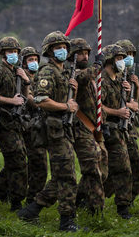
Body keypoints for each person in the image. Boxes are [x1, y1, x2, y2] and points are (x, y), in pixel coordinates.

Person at [16, 31, 88, 232]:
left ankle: (31, 211)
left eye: (65, 47)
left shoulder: (64, 72)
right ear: (49, 51)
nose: (63, 50)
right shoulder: (48, 71)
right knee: (67, 177)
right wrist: (66, 106)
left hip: (64, 129)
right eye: (58, 47)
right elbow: (40, 99)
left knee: (59, 176)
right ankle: (67, 221)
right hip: (54, 130)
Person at [68, 38, 106, 214]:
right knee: (92, 169)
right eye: (80, 53)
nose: (85, 56)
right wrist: (98, 65)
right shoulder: (72, 73)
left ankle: (77, 197)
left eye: (87, 54)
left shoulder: (91, 77)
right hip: (81, 128)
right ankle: (96, 210)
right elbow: (82, 77)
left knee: (103, 167)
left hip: (94, 129)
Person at [0, 36, 29, 212]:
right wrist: (10, 101)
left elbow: (24, 99)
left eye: (15, 51)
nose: (13, 54)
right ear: (2, 53)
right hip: (4, 125)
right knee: (19, 163)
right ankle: (16, 203)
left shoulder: (17, 73)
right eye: (9, 51)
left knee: (14, 163)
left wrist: (26, 82)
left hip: (16, 125)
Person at [100, 43, 135, 219]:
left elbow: (129, 103)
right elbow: (97, 107)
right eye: (119, 58)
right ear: (109, 60)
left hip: (120, 131)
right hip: (107, 131)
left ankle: (123, 207)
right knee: (108, 170)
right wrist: (117, 112)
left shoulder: (120, 81)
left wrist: (128, 93)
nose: (122, 62)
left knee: (120, 169)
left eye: (122, 58)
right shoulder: (102, 82)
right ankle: (84, 199)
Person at [19, 46, 47, 206]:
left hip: (41, 127)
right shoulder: (23, 80)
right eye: (30, 60)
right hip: (30, 129)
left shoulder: (39, 78)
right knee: (38, 166)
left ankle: (4, 191)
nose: (34, 63)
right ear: (23, 63)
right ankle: (32, 200)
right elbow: (32, 101)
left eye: (36, 59)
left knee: (29, 166)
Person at [115, 39, 139, 207]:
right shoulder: (113, 76)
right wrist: (129, 104)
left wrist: (136, 87)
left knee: (135, 166)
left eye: (132, 55)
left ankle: (129, 199)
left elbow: (134, 103)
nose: (130, 58)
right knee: (118, 169)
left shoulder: (129, 77)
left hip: (129, 128)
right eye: (127, 55)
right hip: (116, 127)